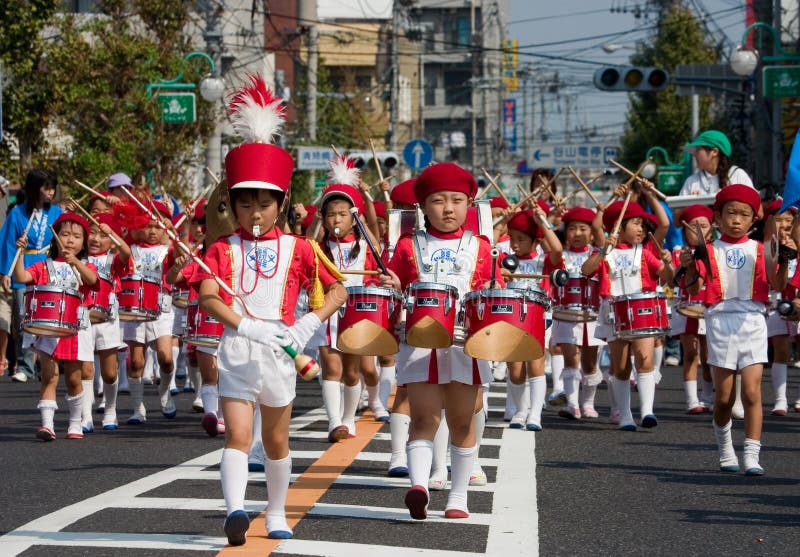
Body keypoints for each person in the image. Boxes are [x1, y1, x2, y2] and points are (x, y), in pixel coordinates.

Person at [196, 75, 347, 545]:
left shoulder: (301, 247)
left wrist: (305, 324)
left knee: (277, 442)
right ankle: (236, 511)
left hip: (283, 351)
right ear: (234, 207)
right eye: (246, 203)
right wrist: (246, 326)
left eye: (265, 203)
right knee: (238, 435)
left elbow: (337, 290)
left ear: (280, 205)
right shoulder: (221, 248)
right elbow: (206, 295)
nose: (255, 212)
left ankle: (277, 511)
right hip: (239, 349)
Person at [384, 162, 502, 520]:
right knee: (423, 417)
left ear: (469, 204)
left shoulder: (482, 247)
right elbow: (397, 291)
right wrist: (392, 288)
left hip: (465, 342)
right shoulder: (407, 245)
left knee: (464, 421)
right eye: (437, 201)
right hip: (420, 342)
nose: (448, 208)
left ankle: (458, 497)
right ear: (422, 206)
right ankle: (419, 485)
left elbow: (487, 293)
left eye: (456, 200)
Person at [681, 184, 768, 475]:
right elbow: (693, 287)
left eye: (744, 215)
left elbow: (778, 286)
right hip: (720, 321)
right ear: (717, 217)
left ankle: (752, 455)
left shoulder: (760, 249)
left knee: (753, 393)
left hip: (753, 321)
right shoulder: (708, 250)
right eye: (730, 213)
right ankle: (725, 447)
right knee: (723, 397)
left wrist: (781, 262)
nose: (736, 220)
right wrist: (690, 267)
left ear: (753, 219)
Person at [582, 182, 674, 431]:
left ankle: (647, 412)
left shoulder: (644, 252)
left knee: (645, 360)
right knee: (620, 367)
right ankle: (624, 415)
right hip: (614, 312)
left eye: (643, 225)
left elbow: (666, 275)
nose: (641, 229)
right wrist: (603, 250)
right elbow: (586, 269)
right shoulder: (607, 251)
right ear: (618, 227)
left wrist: (668, 265)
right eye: (635, 223)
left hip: (641, 311)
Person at [310, 159, 385, 442]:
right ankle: (334, 422)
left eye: (343, 214)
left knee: (353, 374)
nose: (336, 220)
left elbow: (379, 262)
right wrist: (316, 220)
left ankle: (348, 418)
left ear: (353, 218)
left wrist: (364, 213)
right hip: (327, 312)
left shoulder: (366, 245)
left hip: (357, 313)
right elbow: (306, 244)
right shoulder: (317, 246)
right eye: (331, 214)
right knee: (331, 368)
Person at [13, 213, 99, 440]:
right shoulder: (43, 266)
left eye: (77, 236)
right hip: (48, 327)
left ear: (83, 243)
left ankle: (75, 422)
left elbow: (92, 281)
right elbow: (21, 276)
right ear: (56, 238)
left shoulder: (86, 265)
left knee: (73, 378)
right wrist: (20, 252)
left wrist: (77, 263)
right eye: (65, 234)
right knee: (49, 375)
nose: (70, 240)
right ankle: (47, 425)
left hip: (75, 328)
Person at [501, 207, 563, 430]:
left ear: (536, 241)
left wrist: (542, 221)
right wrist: (500, 274)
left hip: (538, 317)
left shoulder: (543, 261)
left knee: (536, 364)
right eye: (511, 239)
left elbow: (557, 248)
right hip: (512, 319)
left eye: (521, 239)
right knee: (515, 369)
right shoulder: (506, 261)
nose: (514, 244)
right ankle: (520, 410)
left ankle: (535, 414)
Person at [0, 169, 63, 382]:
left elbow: (65, 240)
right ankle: (26, 365)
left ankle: (40, 363)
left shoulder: (56, 213)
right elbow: (8, 242)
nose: (51, 192)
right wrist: (5, 272)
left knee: (47, 316)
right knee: (25, 318)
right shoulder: (17, 213)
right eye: (46, 188)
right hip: (23, 266)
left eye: (53, 188)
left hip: (48, 267)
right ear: (35, 189)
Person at [122, 200, 178, 424]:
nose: (152, 231)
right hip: (135, 308)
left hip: (162, 309)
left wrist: (173, 231)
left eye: (158, 226)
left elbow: (185, 252)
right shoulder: (131, 248)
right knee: (136, 362)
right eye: (147, 225)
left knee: (165, 358)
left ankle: (164, 393)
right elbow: (120, 244)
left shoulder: (169, 248)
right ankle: (137, 408)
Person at [550, 206, 605, 420]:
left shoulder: (598, 254)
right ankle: (572, 404)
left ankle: (588, 403)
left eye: (583, 229)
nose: (578, 234)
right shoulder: (560, 256)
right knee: (571, 358)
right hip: (566, 314)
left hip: (592, 314)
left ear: (591, 233)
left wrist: (600, 215)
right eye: (572, 228)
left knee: (590, 363)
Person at [82, 211, 132, 431]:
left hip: (108, 320)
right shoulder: (79, 259)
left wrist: (112, 233)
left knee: (110, 372)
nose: (95, 239)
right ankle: (85, 416)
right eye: (91, 233)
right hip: (82, 318)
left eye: (101, 235)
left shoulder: (113, 260)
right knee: (85, 370)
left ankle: (110, 410)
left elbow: (126, 251)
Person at [670, 204, 714, 413]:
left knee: (708, 356)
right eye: (692, 226)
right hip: (686, 309)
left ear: (712, 229)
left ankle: (707, 396)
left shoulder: (716, 251)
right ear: (684, 230)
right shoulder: (679, 253)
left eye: (703, 226)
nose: (698, 230)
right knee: (690, 353)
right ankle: (691, 400)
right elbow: (672, 280)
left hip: (710, 309)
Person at [679, 130, 754, 196]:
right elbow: (676, 211)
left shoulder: (738, 176)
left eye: (698, 149)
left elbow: (755, 206)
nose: (694, 154)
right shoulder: (691, 181)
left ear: (714, 152)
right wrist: (690, 204)